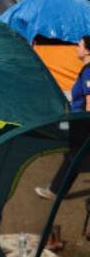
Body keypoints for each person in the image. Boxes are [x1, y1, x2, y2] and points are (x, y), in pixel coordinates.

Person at [37, 36, 90, 200]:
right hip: (79, 122)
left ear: (88, 50)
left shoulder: (88, 71)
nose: (76, 48)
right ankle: (56, 189)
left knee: (72, 156)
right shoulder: (86, 69)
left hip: (83, 123)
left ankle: (55, 190)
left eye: (80, 45)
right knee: (73, 156)